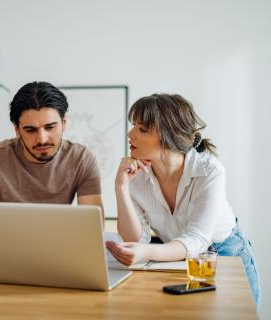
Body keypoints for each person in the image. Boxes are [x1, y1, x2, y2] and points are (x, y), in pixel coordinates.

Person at [106, 93, 260, 306]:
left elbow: (196, 239)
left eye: (141, 129)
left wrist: (146, 252)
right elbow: (136, 239)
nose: (129, 134)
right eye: (133, 125)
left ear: (169, 135)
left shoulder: (209, 170)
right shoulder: (135, 175)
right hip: (177, 257)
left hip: (225, 254)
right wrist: (120, 186)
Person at [0, 81, 104, 256]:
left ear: (64, 123)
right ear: (17, 130)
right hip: (6, 259)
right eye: (30, 130)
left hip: (55, 258)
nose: (42, 139)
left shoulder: (81, 159)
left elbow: (93, 233)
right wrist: (22, 251)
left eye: (50, 127)